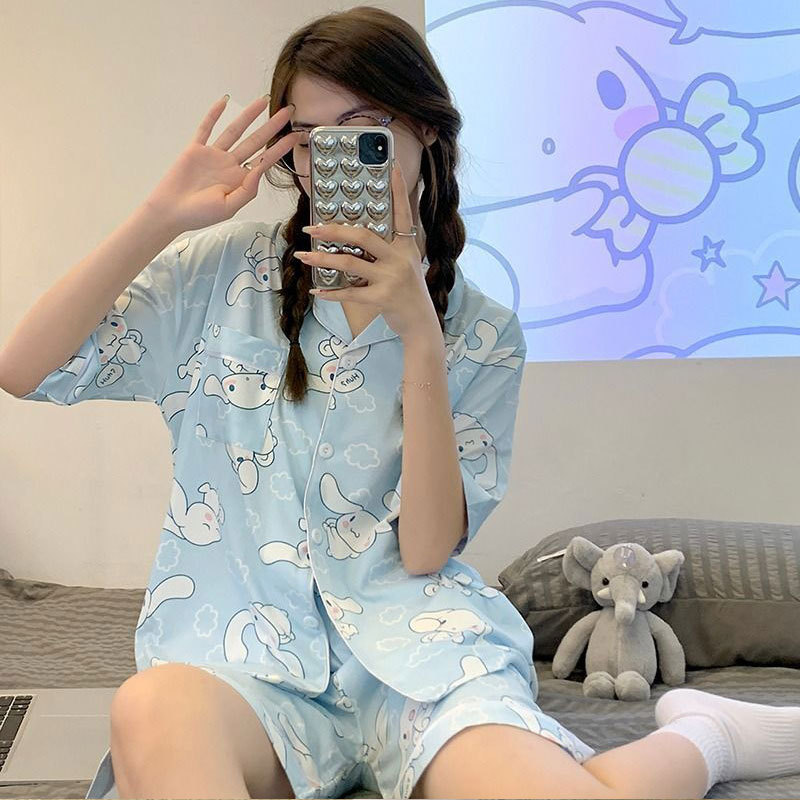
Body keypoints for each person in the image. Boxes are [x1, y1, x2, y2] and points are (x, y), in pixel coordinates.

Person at [2, 6, 799, 800]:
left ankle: (708, 736)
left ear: (423, 128)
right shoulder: (220, 277)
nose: (330, 160)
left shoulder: (482, 331)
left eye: (363, 130)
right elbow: (23, 368)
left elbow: (424, 551)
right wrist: (159, 217)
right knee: (149, 707)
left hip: (420, 663)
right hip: (243, 667)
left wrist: (420, 336)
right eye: (308, 140)